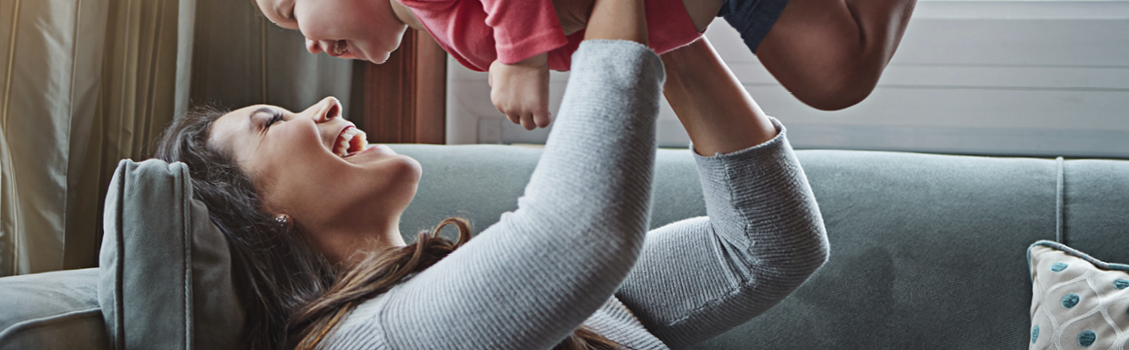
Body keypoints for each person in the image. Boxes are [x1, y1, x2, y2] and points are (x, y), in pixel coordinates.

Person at [154, 0, 826, 347]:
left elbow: (762, 252)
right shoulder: (371, 341)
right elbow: (577, 240)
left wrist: (653, 20)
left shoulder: (473, 287)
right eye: (271, 123)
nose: (326, 102)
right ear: (258, 211)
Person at [252, 0, 916, 131]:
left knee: (838, 72)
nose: (306, 44)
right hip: (691, 10)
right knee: (839, 72)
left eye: (288, 10)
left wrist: (519, 55)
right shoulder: (433, 23)